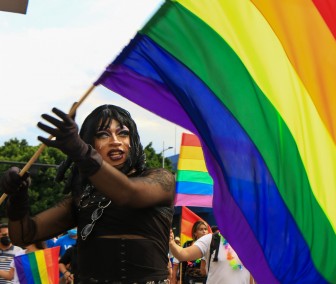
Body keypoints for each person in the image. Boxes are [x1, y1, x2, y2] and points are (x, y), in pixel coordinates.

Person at [1, 104, 175, 283]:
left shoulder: (161, 179)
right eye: (103, 134)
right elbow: (24, 235)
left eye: (123, 133)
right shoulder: (82, 197)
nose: (115, 141)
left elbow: (127, 194)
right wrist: (17, 198)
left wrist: (80, 151)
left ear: (133, 141)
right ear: (91, 143)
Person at [169, 229, 253, 284]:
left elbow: (252, 276)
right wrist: (171, 242)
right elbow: (183, 254)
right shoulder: (211, 239)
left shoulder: (250, 243)